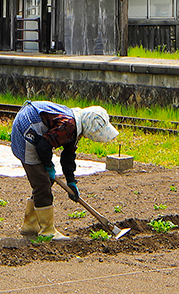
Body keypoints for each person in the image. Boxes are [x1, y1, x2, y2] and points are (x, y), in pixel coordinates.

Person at [11, 101, 119, 240]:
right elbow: (43, 147)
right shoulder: (68, 125)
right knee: (42, 182)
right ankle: (47, 231)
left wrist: (71, 182)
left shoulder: (75, 126)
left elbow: (68, 156)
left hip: (35, 133)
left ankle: (30, 225)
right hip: (25, 131)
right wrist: (49, 167)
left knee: (45, 180)